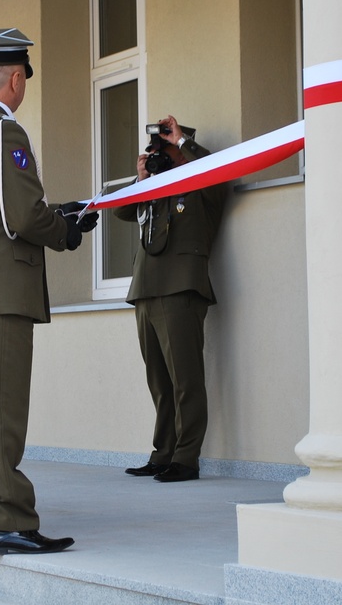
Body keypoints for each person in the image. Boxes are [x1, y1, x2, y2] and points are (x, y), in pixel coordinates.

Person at [0, 28, 98, 555]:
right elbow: (24, 214)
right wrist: (67, 231)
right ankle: (7, 520)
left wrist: (59, 213)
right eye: (23, 78)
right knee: (2, 412)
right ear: (14, 78)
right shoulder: (3, 132)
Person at [115, 116, 228, 483]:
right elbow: (121, 209)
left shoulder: (200, 186)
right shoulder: (154, 190)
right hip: (146, 290)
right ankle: (163, 453)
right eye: (155, 153)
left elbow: (217, 173)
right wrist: (143, 178)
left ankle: (186, 457)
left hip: (181, 288)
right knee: (159, 383)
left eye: (164, 151)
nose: (159, 157)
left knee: (185, 379)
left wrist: (182, 144)